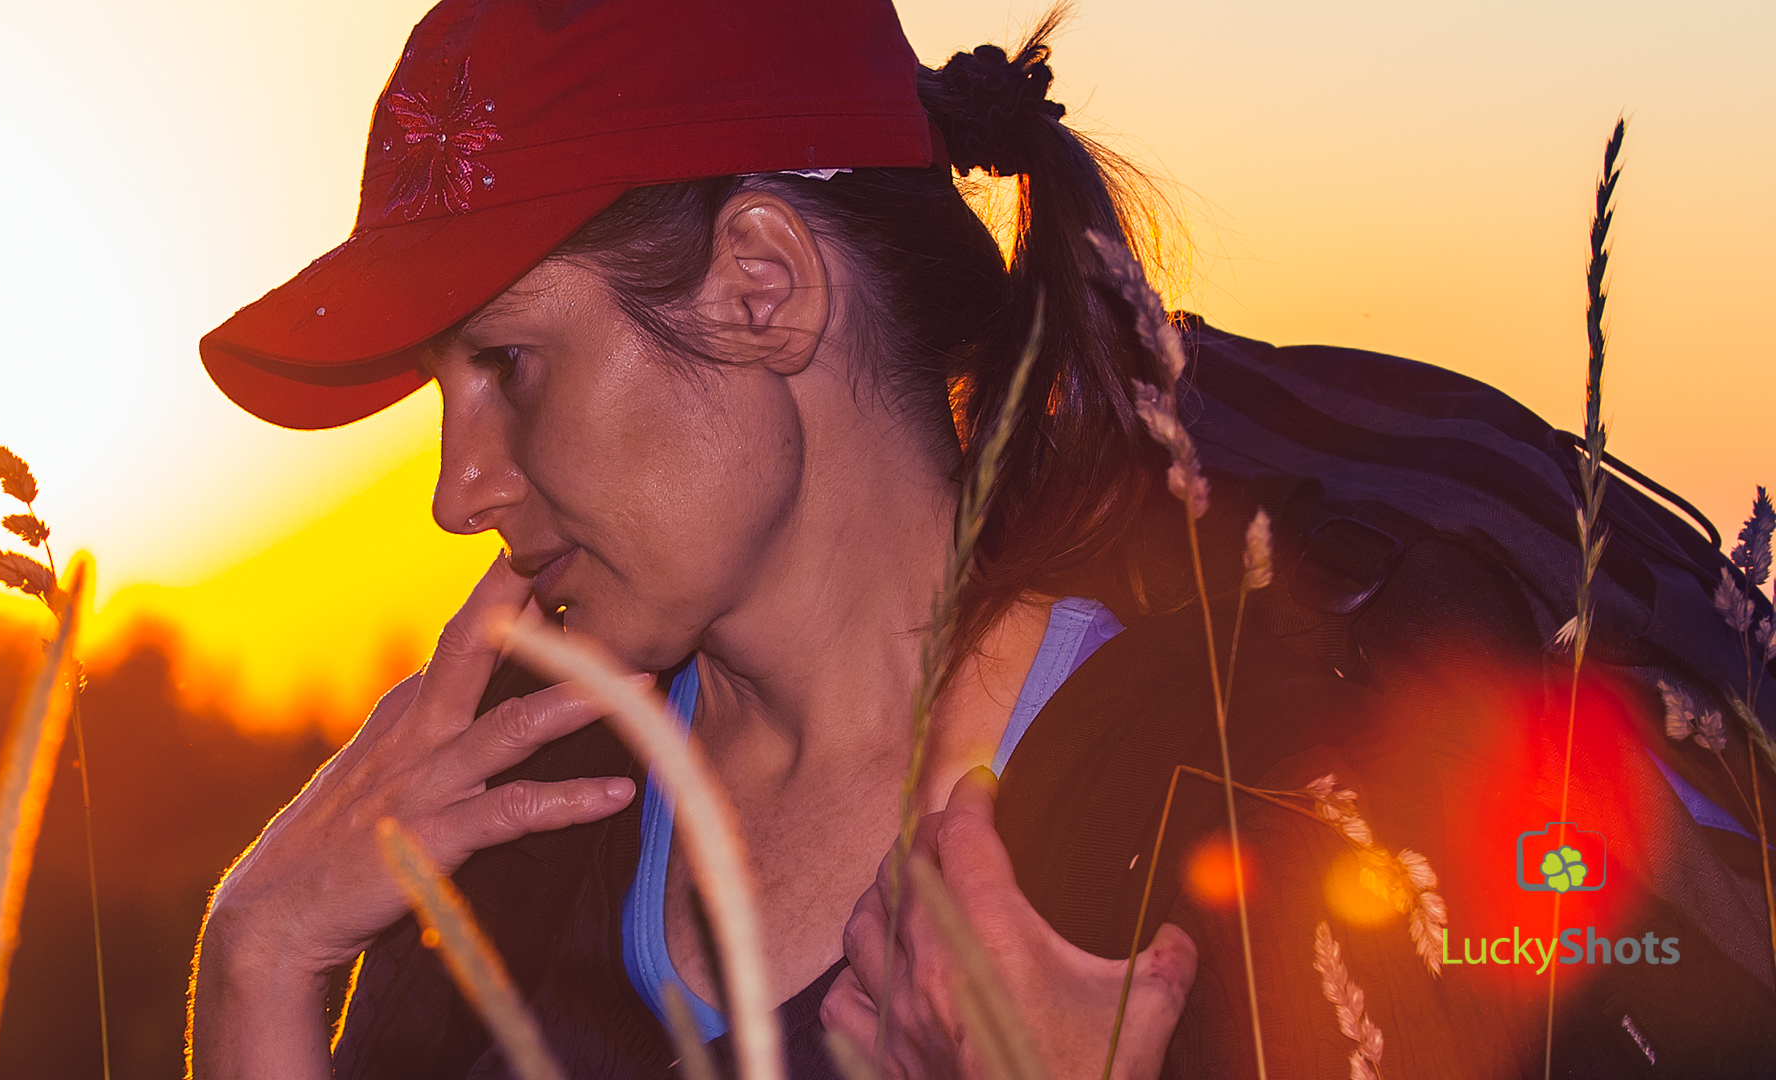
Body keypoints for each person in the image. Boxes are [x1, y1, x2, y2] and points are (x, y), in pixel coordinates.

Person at [189, 1, 1761, 1077]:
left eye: (510, 365)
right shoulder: (515, 820)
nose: (458, 489)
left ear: (763, 286)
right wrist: (258, 964)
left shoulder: (1241, 784)